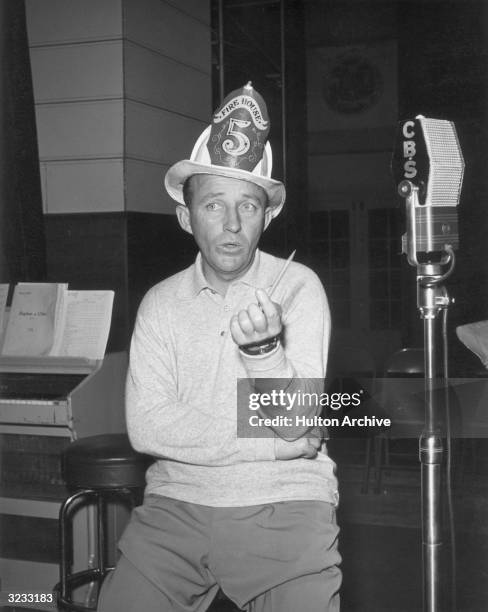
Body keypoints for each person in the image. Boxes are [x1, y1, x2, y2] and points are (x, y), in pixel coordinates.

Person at [98, 82, 341, 612]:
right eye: (213, 205)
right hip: (175, 504)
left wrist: (264, 354)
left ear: (267, 217)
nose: (231, 225)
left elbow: (298, 419)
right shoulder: (161, 303)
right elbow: (148, 427)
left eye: (248, 207)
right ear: (187, 217)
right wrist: (270, 442)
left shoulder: (299, 286)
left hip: (284, 500)